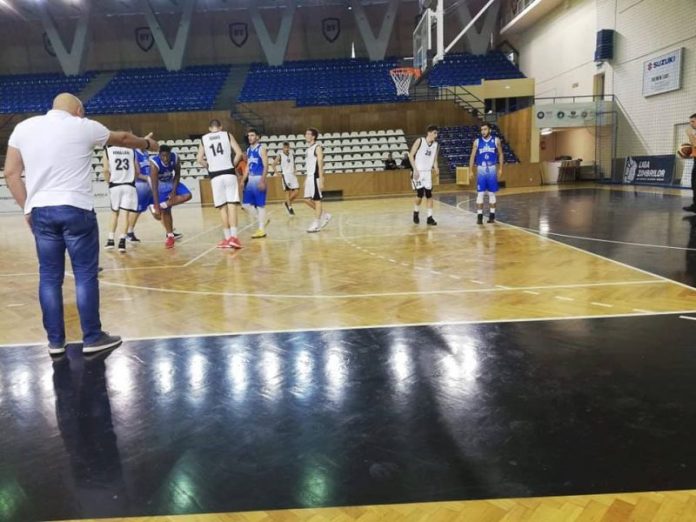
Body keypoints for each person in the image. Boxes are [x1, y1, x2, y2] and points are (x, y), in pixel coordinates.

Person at [3, 93, 158, 355]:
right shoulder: (83, 126)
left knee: (49, 277)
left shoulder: (23, 128)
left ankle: (55, 342)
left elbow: (10, 173)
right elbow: (122, 138)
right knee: (85, 275)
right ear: (78, 110)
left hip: (42, 210)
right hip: (77, 209)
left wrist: (28, 208)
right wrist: (147, 143)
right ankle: (92, 337)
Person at [197, 119, 244, 249]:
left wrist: (208, 166)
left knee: (222, 207)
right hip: (229, 172)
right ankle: (234, 237)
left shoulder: (204, 138)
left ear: (209, 128)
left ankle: (227, 238)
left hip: (215, 175)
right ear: (221, 127)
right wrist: (233, 165)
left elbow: (199, 159)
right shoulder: (227, 135)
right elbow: (239, 153)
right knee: (232, 205)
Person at [149, 144, 192, 248]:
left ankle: (163, 205)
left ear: (170, 154)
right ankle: (170, 236)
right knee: (163, 213)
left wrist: (173, 191)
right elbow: (154, 186)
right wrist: (156, 204)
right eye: (163, 156)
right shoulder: (154, 164)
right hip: (159, 185)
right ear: (159, 155)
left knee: (188, 195)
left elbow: (177, 174)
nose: (165, 158)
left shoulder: (175, 158)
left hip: (171, 182)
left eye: (167, 155)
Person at [102, 143, 140, 253]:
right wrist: (132, 180)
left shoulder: (108, 150)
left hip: (115, 185)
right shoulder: (131, 150)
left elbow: (105, 170)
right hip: (129, 185)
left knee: (114, 213)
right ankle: (122, 242)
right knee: (125, 214)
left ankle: (110, 240)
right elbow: (137, 170)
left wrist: (108, 182)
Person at [469, 122, 504, 225]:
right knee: (480, 193)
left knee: (491, 193)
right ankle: (479, 217)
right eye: (481, 130)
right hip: (481, 169)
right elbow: (472, 156)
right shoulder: (477, 141)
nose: (483, 131)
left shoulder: (496, 140)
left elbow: (501, 154)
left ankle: (492, 216)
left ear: (489, 130)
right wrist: (470, 170)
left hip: (492, 168)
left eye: (485, 129)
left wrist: (501, 168)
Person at [408, 125, 440, 226]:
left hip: (427, 172)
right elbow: (410, 155)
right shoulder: (420, 141)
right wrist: (415, 169)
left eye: (436, 133)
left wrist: (436, 167)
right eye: (434, 133)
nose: (436, 135)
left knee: (429, 194)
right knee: (420, 194)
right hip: (418, 172)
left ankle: (429, 217)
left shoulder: (435, 145)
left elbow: (434, 159)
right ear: (429, 133)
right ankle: (416, 212)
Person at [242, 128, 270, 239]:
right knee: (246, 205)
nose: (250, 137)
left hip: (258, 178)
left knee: (260, 205)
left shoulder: (261, 149)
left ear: (257, 137)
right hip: (250, 179)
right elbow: (248, 166)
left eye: (252, 135)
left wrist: (262, 180)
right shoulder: (249, 150)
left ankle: (261, 229)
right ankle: (263, 219)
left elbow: (266, 166)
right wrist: (243, 179)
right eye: (249, 135)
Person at [303, 127, 331, 233]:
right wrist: (306, 178)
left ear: (313, 136)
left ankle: (317, 223)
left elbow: (320, 164)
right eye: (306, 134)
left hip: (315, 177)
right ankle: (325, 215)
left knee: (317, 200)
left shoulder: (317, 147)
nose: (306, 135)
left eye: (308, 134)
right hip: (309, 177)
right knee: (306, 199)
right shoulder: (308, 149)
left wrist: (321, 178)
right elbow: (310, 165)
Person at [126, 147, 155, 243]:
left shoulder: (146, 152)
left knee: (160, 205)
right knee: (137, 209)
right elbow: (135, 173)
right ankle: (129, 232)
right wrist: (147, 178)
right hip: (139, 184)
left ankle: (170, 231)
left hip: (149, 184)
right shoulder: (134, 152)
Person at [277, 141, 300, 215]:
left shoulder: (292, 154)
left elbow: (293, 163)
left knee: (297, 192)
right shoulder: (280, 155)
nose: (286, 149)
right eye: (285, 147)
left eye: (287, 147)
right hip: (285, 175)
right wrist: (277, 173)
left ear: (289, 147)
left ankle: (287, 203)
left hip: (292, 175)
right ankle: (289, 207)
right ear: (283, 148)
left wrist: (295, 169)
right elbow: (273, 164)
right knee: (288, 192)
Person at [683, 113, 696, 212]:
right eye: (690, 122)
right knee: (694, 184)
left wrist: (690, 134)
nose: (691, 124)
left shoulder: (692, 134)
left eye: (693, 121)